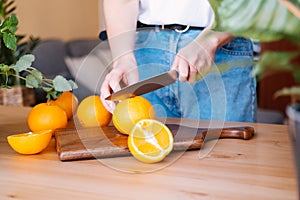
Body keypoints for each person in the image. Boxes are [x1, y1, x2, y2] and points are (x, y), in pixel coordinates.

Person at [100, 0, 256, 122]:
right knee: (146, 155)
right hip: (144, 50)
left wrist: (210, 40)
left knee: (224, 157)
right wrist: (123, 58)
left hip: (221, 49)